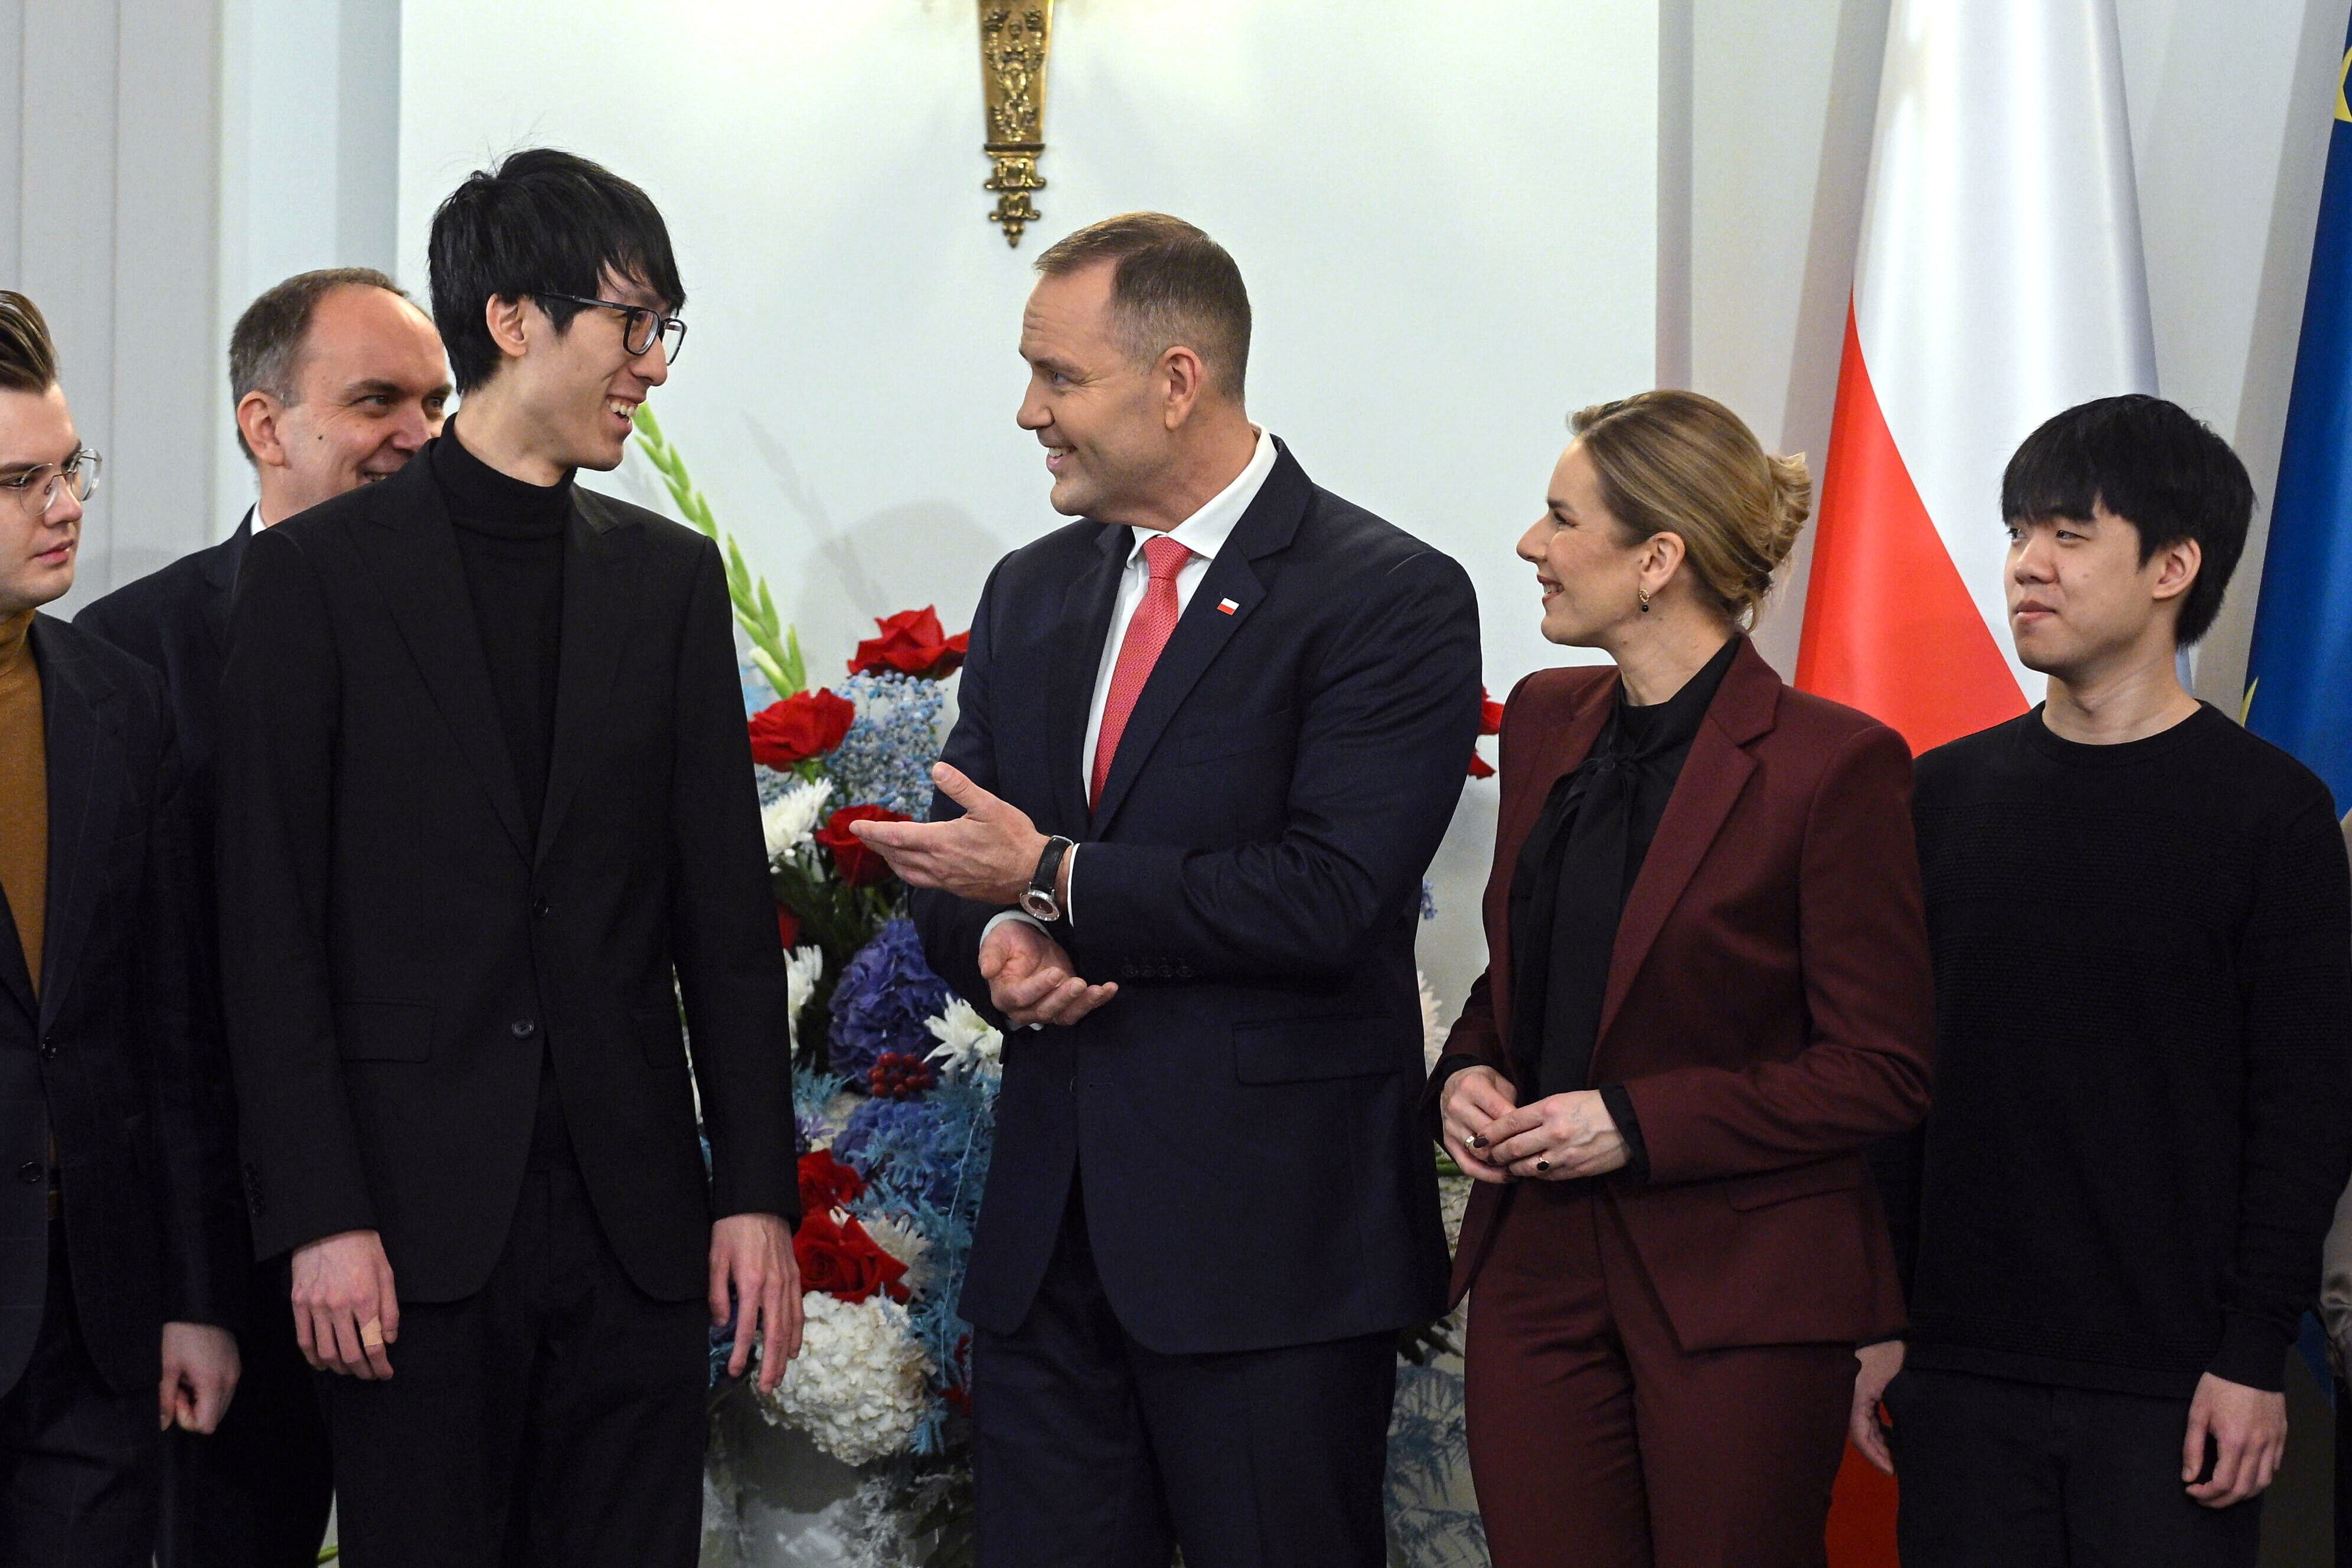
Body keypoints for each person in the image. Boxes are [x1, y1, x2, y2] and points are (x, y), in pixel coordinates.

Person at [851, 211, 1481, 1567]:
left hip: (1269, 1262)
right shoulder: (1031, 593)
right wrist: (1001, 944)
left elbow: (1329, 894)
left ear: (1178, 378)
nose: (1030, 412)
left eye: (1059, 378)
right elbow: (971, 847)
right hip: (1051, 1256)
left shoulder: (1387, 595)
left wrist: (1055, 878)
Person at [214, 149, 802, 1567]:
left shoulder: (665, 581)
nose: (651, 364)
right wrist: (322, 1218)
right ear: (515, 321)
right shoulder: (314, 582)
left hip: (636, 1224)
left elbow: (723, 924)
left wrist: (757, 1196)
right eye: (631, 322)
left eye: (665, 327)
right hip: (407, 1239)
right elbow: (269, 928)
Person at [1429, 390, 1935, 1568]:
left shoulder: (1834, 765)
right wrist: (1466, 1071)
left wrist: (1637, 1124)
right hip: (1538, 1270)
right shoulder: (1549, 718)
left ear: (1660, 558)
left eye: (1561, 518)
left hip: (1739, 1288)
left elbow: (1884, 1069)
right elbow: (1529, 971)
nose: (1529, 545)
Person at [1856, 394, 2352, 1567]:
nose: (2027, 564)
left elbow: (2306, 1107)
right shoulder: (1938, 797)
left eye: (2070, 533)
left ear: (2175, 564)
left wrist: (2248, 1351)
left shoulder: (2271, 815)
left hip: (2178, 1385)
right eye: (2020, 529)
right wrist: (1876, 1315)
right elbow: (1896, 1083)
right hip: (1959, 1367)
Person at [76, 266, 449, 1568]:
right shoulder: (131, 654)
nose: (417, 431)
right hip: (227, 1266)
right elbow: (139, 1012)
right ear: (265, 423)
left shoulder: (494, 645)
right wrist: (190, 1290)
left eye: (435, 401)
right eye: (376, 400)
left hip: (455, 1251)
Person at [0, 290, 246, 1565]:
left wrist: (196, 1302)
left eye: (71, 467)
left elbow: (169, 1033)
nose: (66, 504)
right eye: (20, 479)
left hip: (97, 1326)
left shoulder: (117, 695)